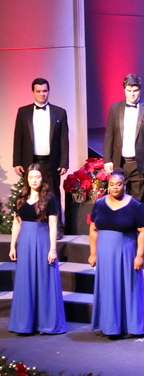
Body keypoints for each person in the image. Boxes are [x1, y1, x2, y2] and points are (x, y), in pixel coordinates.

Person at [89, 169, 144, 338]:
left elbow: (143, 232)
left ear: (125, 186)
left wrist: (139, 256)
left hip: (126, 252)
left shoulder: (135, 206)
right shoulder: (100, 203)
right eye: (111, 184)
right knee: (108, 287)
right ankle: (109, 325)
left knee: (128, 288)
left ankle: (132, 326)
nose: (115, 188)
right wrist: (93, 253)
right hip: (105, 253)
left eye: (118, 184)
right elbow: (93, 229)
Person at [8, 164, 66, 335]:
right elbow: (16, 223)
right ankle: (25, 324)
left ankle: (46, 323)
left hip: (42, 242)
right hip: (24, 243)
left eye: (37, 177)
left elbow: (53, 225)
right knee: (25, 280)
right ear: (27, 179)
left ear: (43, 179)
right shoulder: (21, 197)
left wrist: (53, 249)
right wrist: (13, 245)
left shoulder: (49, 199)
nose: (34, 180)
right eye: (31, 177)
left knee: (44, 280)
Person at [103, 73, 144, 208]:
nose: (132, 94)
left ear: (140, 90)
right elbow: (109, 135)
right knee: (118, 200)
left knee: (139, 202)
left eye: (135, 90)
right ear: (124, 90)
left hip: (141, 163)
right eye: (129, 91)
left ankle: (139, 228)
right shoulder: (115, 108)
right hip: (120, 162)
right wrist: (107, 160)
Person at [13, 77, 70, 208]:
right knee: (30, 194)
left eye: (44, 91)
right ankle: (34, 224)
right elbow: (18, 137)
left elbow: (63, 139)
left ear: (49, 92)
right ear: (33, 92)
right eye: (38, 91)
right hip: (30, 161)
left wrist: (64, 163)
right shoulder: (23, 112)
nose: (42, 94)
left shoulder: (60, 113)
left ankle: (56, 226)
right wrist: (17, 162)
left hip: (52, 162)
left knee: (53, 194)